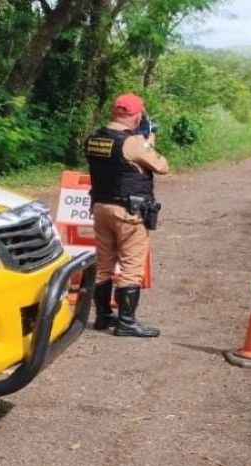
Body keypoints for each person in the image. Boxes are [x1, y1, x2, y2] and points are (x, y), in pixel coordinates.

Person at [84, 93, 169, 338]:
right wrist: (148, 141)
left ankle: (102, 317)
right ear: (137, 115)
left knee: (104, 264)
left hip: (101, 208)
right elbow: (162, 166)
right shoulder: (133, 142)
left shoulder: (94, 138)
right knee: (131, 267)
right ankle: (127, 322)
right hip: (129, 211)